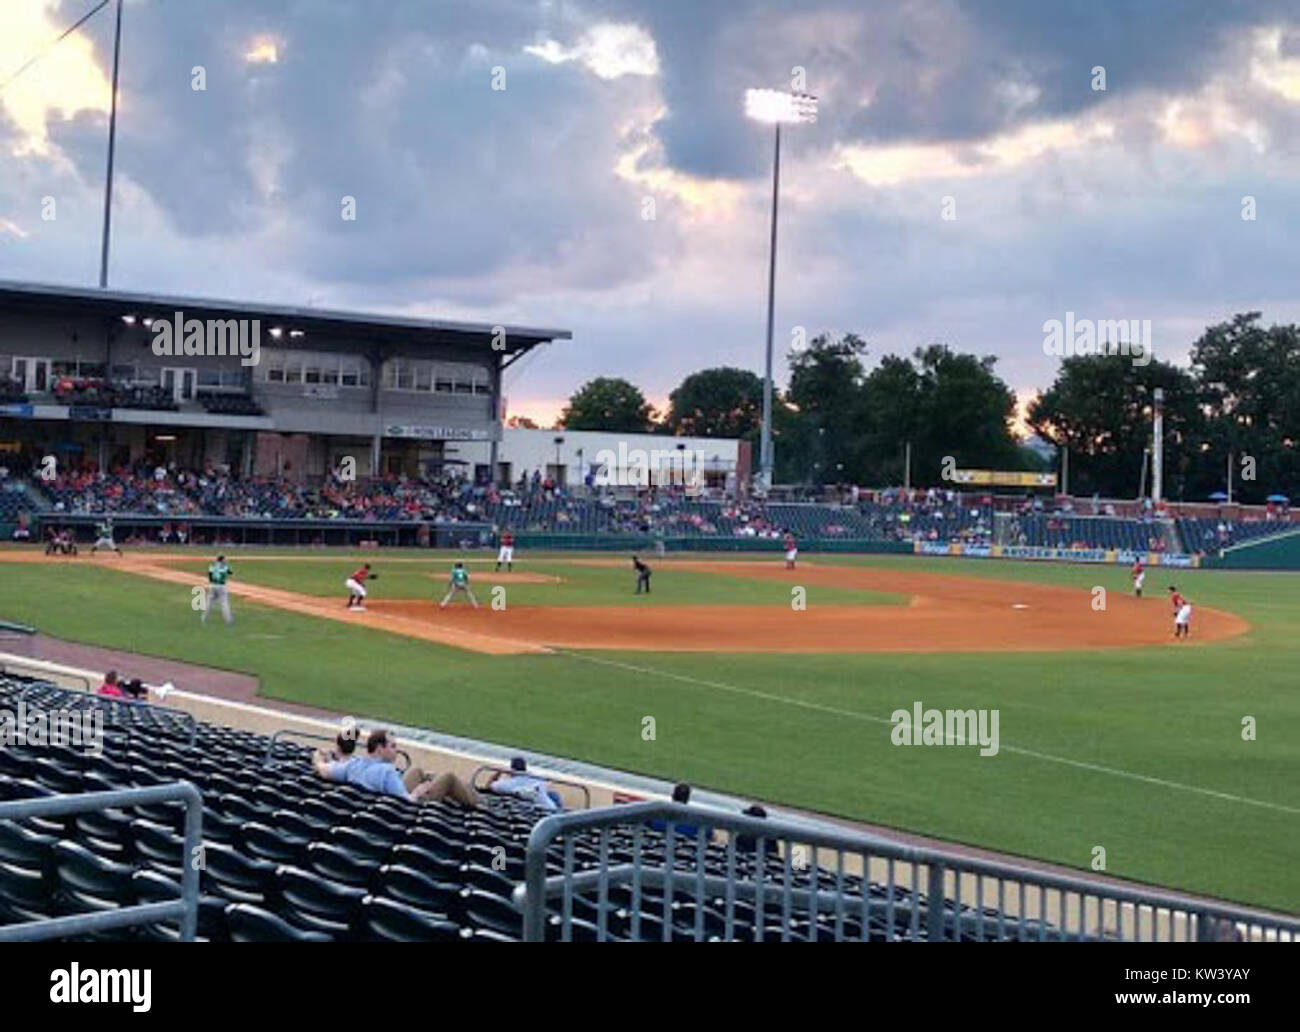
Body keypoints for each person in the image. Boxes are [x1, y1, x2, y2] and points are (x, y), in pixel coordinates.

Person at [312, 729, 480, 807]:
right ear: (379, 748)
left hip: (378, 799)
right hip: (402, 809)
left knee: (417, 771)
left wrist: (318, 758)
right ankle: (480, 805)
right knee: (449, 777)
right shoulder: (387, 772)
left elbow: (324, 770)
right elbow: (406, 803)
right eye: (392, 746)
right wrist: (417, 793)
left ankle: (469, 793)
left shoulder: (353, 765)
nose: (397, 750)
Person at [485, 756, 562, 812]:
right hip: (551, 809)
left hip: (535, 812)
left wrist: (499, 772)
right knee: (553, 795)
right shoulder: (536, 777)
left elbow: (488, 786)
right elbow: (547, 784)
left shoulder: (508, 784)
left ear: (512, 770)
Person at [203, 555, 234, 625]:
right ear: (222, 560)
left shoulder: (212, 566)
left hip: (213, 586)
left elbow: (210, 576)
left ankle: (204, 618)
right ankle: (228, 620)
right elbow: (230, 572)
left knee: (209, 603)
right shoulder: (225, 566)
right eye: (224, 559)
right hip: (222, 587)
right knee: (224, 603)